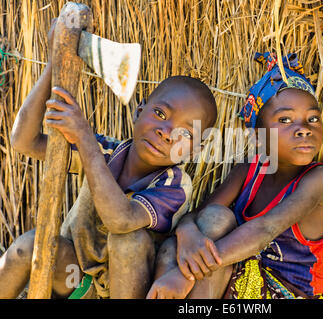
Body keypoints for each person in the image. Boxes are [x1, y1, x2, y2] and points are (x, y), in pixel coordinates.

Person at [0, 20, 217, 299]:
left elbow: (120, 221)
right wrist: (56, 63)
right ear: (139, 112)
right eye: (161, 114)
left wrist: (85, 139)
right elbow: (24, 141)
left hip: (125, 290)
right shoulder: (107, 152)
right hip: (75, 280)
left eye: (184, 133)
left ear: (196, 149)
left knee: (130, 239)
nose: (166, 133)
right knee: (27, 247)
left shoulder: (174, 184)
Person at [148, 52, 323, 299]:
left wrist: (185, 275)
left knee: (211, 255)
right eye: (285, 119)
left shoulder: (318, 180)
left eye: (313, 119)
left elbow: (265, 229)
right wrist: (187, 234)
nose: (304, 129)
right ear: (258, 134)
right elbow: (199, 215)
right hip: (243, 282)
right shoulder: (250, 171)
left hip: (291, 294)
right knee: (177, 245)